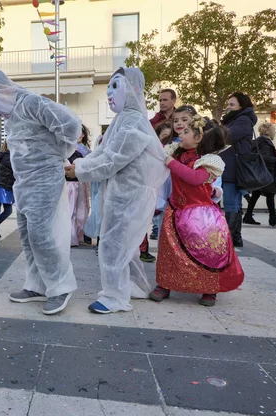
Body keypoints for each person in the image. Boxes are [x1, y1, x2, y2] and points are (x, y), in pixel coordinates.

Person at [0, 67, 80, 315]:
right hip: (24, 182)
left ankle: (61, 286)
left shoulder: (31, 102)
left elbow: (70, 124)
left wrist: (59, 152)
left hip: (45, 178)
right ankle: (37, 285)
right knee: (28, 237)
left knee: (41, 235)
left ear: (3, 89)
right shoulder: (11, 115)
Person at [66, 67, 170, 314]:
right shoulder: (123, 119)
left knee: (113, 243)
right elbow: (103, 153)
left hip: (129, 193)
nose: (110, 94)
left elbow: (114, 158)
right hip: (121, 191)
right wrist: (80, 165)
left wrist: (79, 171)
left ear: (133, 89)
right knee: (126, 244)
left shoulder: (134, 121)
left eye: (116, 86)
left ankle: (115, 297)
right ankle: (134, 285)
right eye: (108, 88)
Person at [149, 115, 244, 306]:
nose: (180, 134)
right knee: (169, 252)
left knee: (208, 252)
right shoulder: (175, 152)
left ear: (199, 138)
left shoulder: (208, 161)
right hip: (175, 211)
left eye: (186, 132)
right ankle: (164, 285)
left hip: (202, 217)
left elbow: (194, 178)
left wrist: (170, 163)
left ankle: (209, 288)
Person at [220, 92, 258, 247]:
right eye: (228, 104)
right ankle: (235, 237)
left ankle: (231, 237)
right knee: (234, 203)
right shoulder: (237, 119)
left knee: (231, 203)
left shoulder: (242, 120)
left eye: (232, 104)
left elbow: (227, 137)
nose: (228, 107)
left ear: (241, 106)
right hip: (232, 166)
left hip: (234, 168)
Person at [243, 122, 276, 227]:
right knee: (270, 194)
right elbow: (264, 157)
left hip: (259, 172)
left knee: (256, 194)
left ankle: (248, 216)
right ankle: (272, 218)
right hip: (266, 172)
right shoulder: (265, 142)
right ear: (270, 131)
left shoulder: (258, 141)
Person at [67, 125, 91, 247]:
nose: (80, 135)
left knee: (81, 212)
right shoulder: (65, 149)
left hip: (80, 183)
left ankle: (78, 235)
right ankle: (71, 237)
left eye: (81, 133)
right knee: (70, 211)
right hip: (68, 184)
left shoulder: (86, 150)